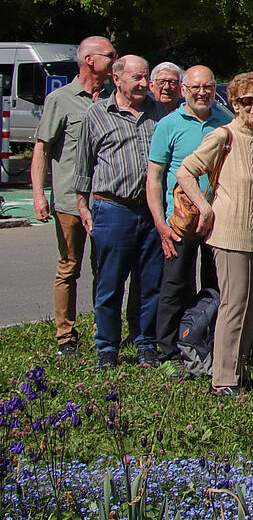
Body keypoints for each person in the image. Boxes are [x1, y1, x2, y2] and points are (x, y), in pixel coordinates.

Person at [177, 72, 253, 396]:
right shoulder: (223, 136)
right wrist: (204, 210)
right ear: (235, 104)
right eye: (248, 101)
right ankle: (222, 379)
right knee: (233, 304)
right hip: (229, 234)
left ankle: (238, 371)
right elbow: (185, 171)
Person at [73, 55, 168, 370]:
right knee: (110, 282)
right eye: (137, 78)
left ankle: (145, 344)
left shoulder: (159, 112)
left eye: (145, 77)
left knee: (150, 282)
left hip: (153, 211)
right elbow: (83, 165)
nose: (143, 84)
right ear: (117, 79)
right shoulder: (97, 115)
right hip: (112, 208)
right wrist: (83, 205)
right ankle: (107, 348)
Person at [145, 65, 232, 375]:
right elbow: (154, 177)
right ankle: (169, 353)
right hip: (178, 220)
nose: (202, 92)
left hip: (217, 222)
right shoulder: (168, 125)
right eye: (195, 87)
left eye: (208, 87)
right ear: (184, 90)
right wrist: (160, 221)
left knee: (214, 287)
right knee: (174, 286)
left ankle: (205, 343)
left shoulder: (227, 123)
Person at [32, 35, 116, 357]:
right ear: (90, 60)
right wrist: (40, 195)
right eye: (110, 55)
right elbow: (42, 148)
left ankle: (102, 331)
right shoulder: (61, 99)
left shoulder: (113, 98)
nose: (116, 59)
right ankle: (65, 337)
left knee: (104, 269)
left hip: (106, 200)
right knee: (69, 267)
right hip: (69, 201)